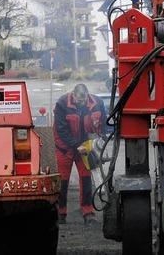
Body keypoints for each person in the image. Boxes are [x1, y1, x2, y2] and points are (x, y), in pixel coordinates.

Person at [53, 83, 105, 225]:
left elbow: (103, 124)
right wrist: (77, 145)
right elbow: (61, 130)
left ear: (87, 96)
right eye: (77, 100)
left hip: (85, 147)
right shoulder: (62, 104)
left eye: (82, 101)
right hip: (65, 148)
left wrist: (100, 141)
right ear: (73, 95)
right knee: (62, 181)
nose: (79, 103)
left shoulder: (98, 103)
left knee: (86, 179)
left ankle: (88, 212)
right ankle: (61, 213)